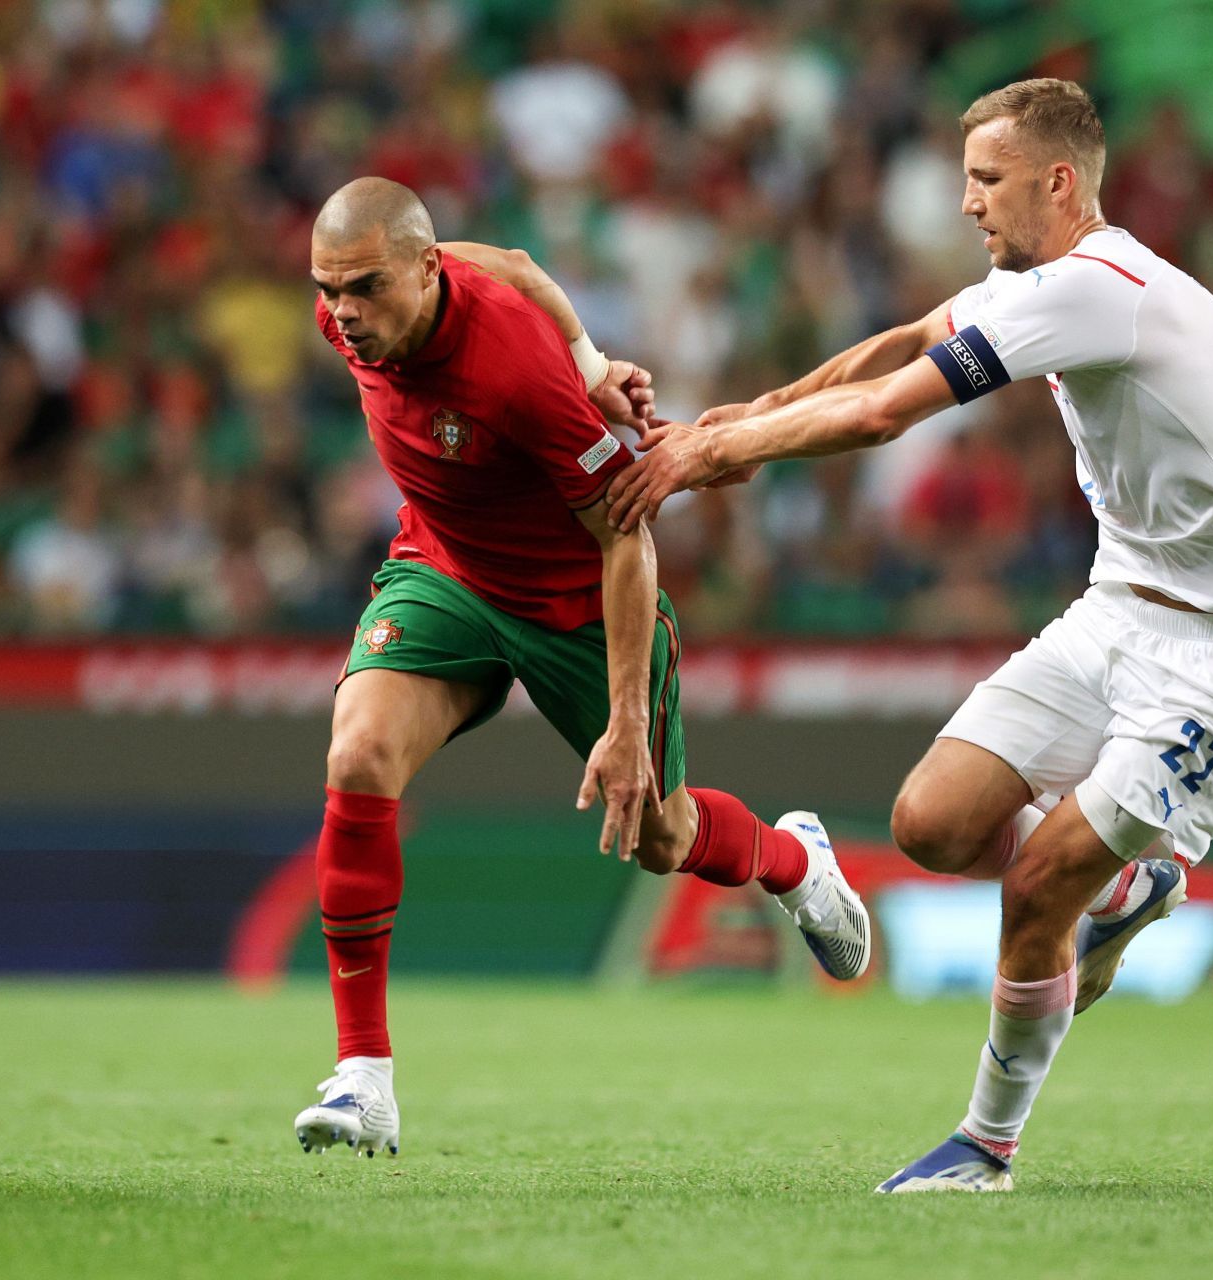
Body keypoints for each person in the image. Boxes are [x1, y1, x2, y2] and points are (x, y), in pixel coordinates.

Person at [609, 79, 1213, 1192]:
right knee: (931, 821)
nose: (969, 202)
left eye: (987, 181)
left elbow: (890, 410)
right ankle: (1124, 887)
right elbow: (905, 339)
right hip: (1121, 609)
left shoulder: (1094, 289)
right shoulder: (1039, 279)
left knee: (1038, 885)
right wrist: (748, 418)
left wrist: (699, 461)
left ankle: (986, 1145)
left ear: (1059, 182)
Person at [294, 177, 872, 1158]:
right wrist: (598, 358)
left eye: (367, 288)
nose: (345, 312)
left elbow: (627, 539)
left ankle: (793, 859)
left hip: (576, 600)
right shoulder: (352, 312)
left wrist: (625, 725)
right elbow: (516, 263)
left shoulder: (514, 371)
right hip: (445, 567)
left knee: (659, 833)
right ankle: (365, 1077)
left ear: (429, 271)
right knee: (358, 757)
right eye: (330, 287)